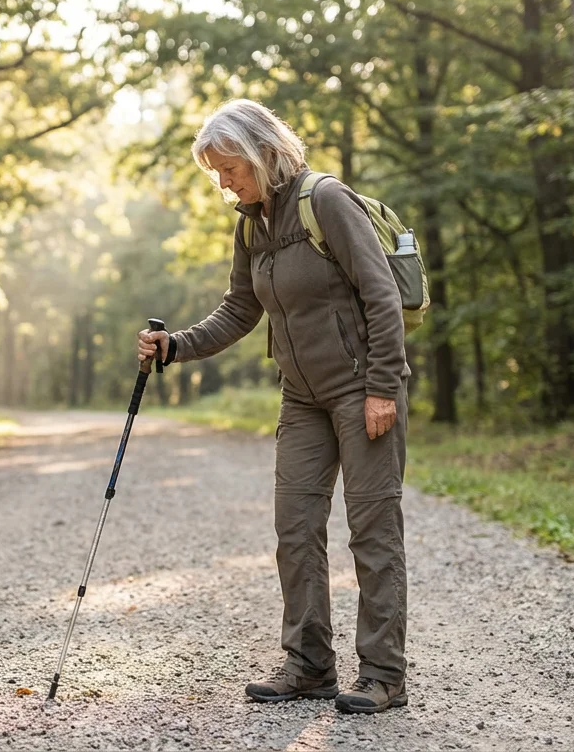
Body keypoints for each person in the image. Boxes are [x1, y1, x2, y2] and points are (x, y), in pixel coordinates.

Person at [137, 99, 411, 715]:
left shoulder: (327, 202)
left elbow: (382, 296)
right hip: (302, 398)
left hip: (360, 390)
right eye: (216, 174)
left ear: (261, 151)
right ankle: (310, 665)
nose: (224, 182)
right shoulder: (251, 224)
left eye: (229, 168)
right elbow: (239, 308)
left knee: (372, 533)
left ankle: (383, 674)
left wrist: (382, 388)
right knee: (295, 531)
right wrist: (174, 346)